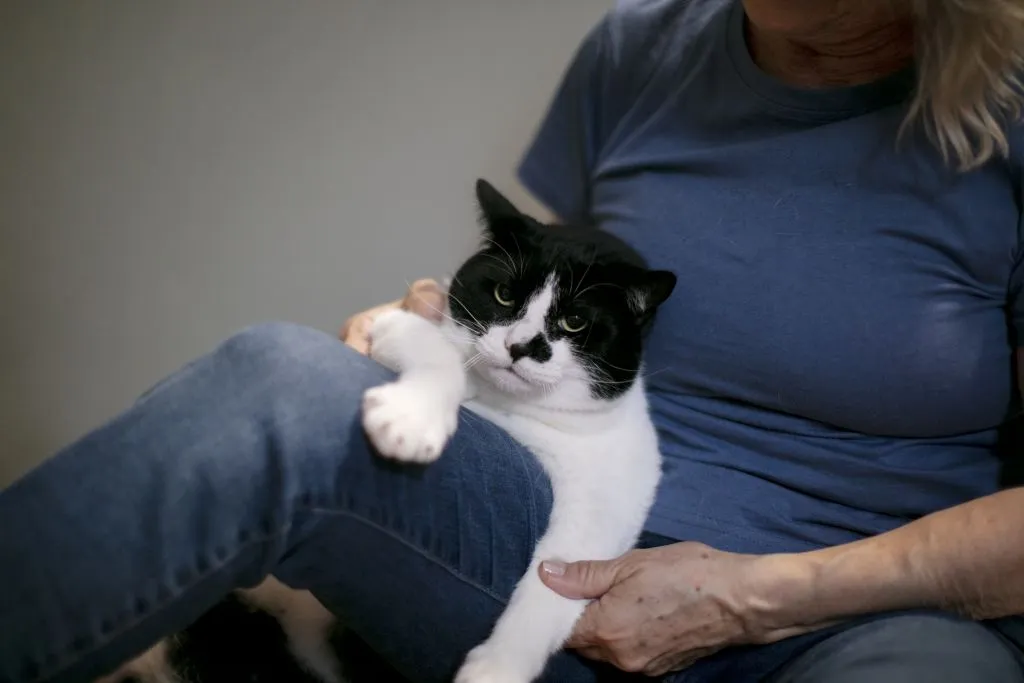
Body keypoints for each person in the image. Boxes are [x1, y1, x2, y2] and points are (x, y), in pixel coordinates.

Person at [4, 0, 1024, 681]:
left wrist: (755, 599)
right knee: (286, 380)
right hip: (543, 549)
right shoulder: (642, 45)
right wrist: (435, 332)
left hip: (860, 608)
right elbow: (550, 283)